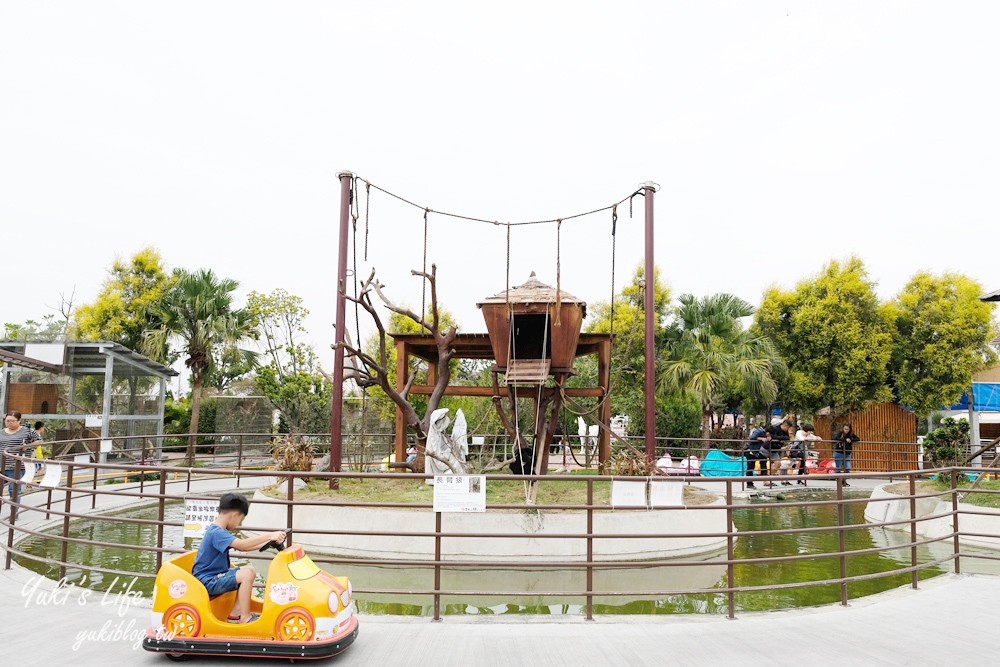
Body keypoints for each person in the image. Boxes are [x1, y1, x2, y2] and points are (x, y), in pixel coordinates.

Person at [192, 493, 287, 624]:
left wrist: (270, 543)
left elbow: (245, 547)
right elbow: (241, 545)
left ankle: (235, 613)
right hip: (207, 581)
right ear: (234, 514)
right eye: (240, 520)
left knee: (250, 569)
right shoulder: (216, 533)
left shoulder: (218, 531)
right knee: (246, 574)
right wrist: (269, 535)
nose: (238, 524)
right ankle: (245, 618)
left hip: (215, 577)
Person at [1, 411, 43, 500]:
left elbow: (40, 441)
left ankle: (14, 512)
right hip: (2, 465)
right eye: (7, 421)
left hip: (17, 466)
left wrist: (27, 446)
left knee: (14, 490)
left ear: (19, 420)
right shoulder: (1, 432)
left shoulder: (27, 431)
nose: (9, 423)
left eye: (12, 421)